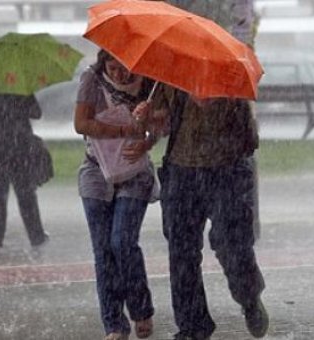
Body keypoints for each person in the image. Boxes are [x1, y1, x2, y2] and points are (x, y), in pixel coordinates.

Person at [138, 85, 268, 340]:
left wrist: (218, 101)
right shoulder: (170, 73)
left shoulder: (225, 74)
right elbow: (162, 123)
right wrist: (149, 116)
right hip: (181, 171)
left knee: (231, 244)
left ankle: (249, 297)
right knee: (181, 252)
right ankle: (192, 326)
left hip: (226, 169)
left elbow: (246, 129)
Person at [74, 50, 162, 340]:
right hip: (96, 170)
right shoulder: (91, 79)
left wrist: (147, 137)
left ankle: (140, 309)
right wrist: (124, 128)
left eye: (126, 68)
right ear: (104, 61)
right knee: (103, 250)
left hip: (134, 172)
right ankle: (114, 324)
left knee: (122, 241)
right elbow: (81, 123)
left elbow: (160, 127)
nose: (120, 74)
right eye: (114, 66)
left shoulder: (151, 84)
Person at [0, 94, 51, 253]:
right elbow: (36, 113)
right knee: (26, 193)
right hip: (19, 146)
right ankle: (36, 236)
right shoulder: (21, 88)